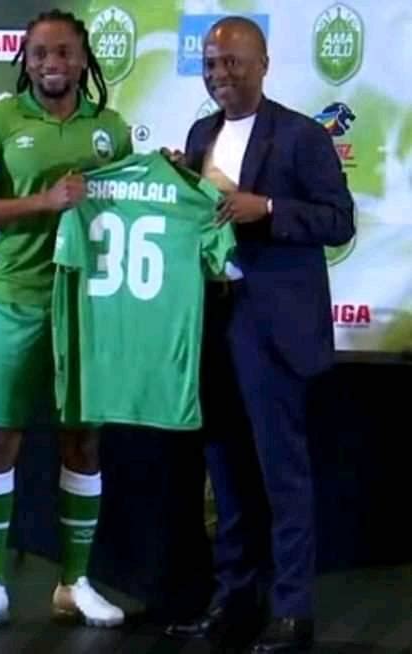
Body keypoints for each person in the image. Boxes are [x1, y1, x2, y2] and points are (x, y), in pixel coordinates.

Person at [164, 16, 355, 653]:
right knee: (226, 473)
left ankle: (292, 612)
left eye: (232, 62)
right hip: (211, 323)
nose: (219, 74)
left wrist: (266, 208)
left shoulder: (302, 136)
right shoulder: (200, 134)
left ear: (263, 64)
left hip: (272, 329)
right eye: (210, 64)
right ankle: (234, 603)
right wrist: (177, 179)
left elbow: (339, 220)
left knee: (282, 476)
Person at [0, 9, 132, 632]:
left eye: (63, 52)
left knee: (83, 441)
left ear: (83, 60)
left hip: (86, 306)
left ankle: (73, 583)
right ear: (25, 61)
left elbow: (132, 207)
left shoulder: (111, 129)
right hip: (16, 301)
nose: (51, 63)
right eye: (39, 54)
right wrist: (46, 201)